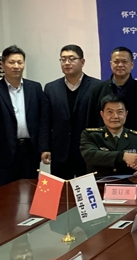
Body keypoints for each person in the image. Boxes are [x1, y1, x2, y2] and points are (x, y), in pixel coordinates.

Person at [0, 45, 48, 186]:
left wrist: (44, 147)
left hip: (30, 150)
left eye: (20, 62)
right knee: (7, 191)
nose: (16, 66)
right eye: (11, 62)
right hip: (4, 151)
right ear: (3, 65)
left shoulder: (35, 88)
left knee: (31, 189)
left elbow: (43, 120)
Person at [42, 45, 100, 179]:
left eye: (72, 59)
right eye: (63, 59)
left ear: (82, 62)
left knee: (87, 190)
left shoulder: (97, 86)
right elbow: (45, 121)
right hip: (60, 151)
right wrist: (45, 148)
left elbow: (100, 120)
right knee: (62, 191)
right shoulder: (51, 88)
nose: (67, 63)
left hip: (88, 151)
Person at [86, 46, 137, 141]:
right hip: (104, 144)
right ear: (111, 64)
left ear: (132, 65)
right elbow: (91, 122)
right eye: (116, 62)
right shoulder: (97, 90)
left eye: (124, 62)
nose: (120, 65)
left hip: (134, 144)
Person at [80, 94, 137, 183]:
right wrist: (123, 156)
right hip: (99, 187)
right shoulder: (91, 135)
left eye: (120, 112)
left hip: (127, 187)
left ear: (126, 114)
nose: (115, 116)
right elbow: (90, 156)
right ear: (102, 114)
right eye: (110, 112)